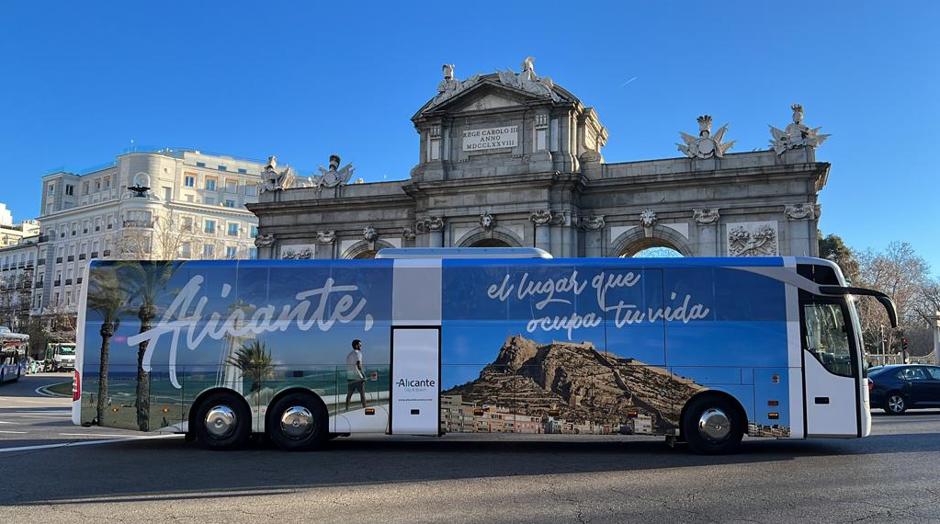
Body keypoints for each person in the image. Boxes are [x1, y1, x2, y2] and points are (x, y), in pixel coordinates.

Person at [345, 339, 367, 411]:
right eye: (360, 345)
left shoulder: (349, 355)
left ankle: (347, 409)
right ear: (356, 345)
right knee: (362, 394)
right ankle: (365, 409)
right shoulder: (358, 353)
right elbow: (358, 365)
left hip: (350, 376)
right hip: (358, 377)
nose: (361, 346)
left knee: (349, 395)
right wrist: (364, 375)